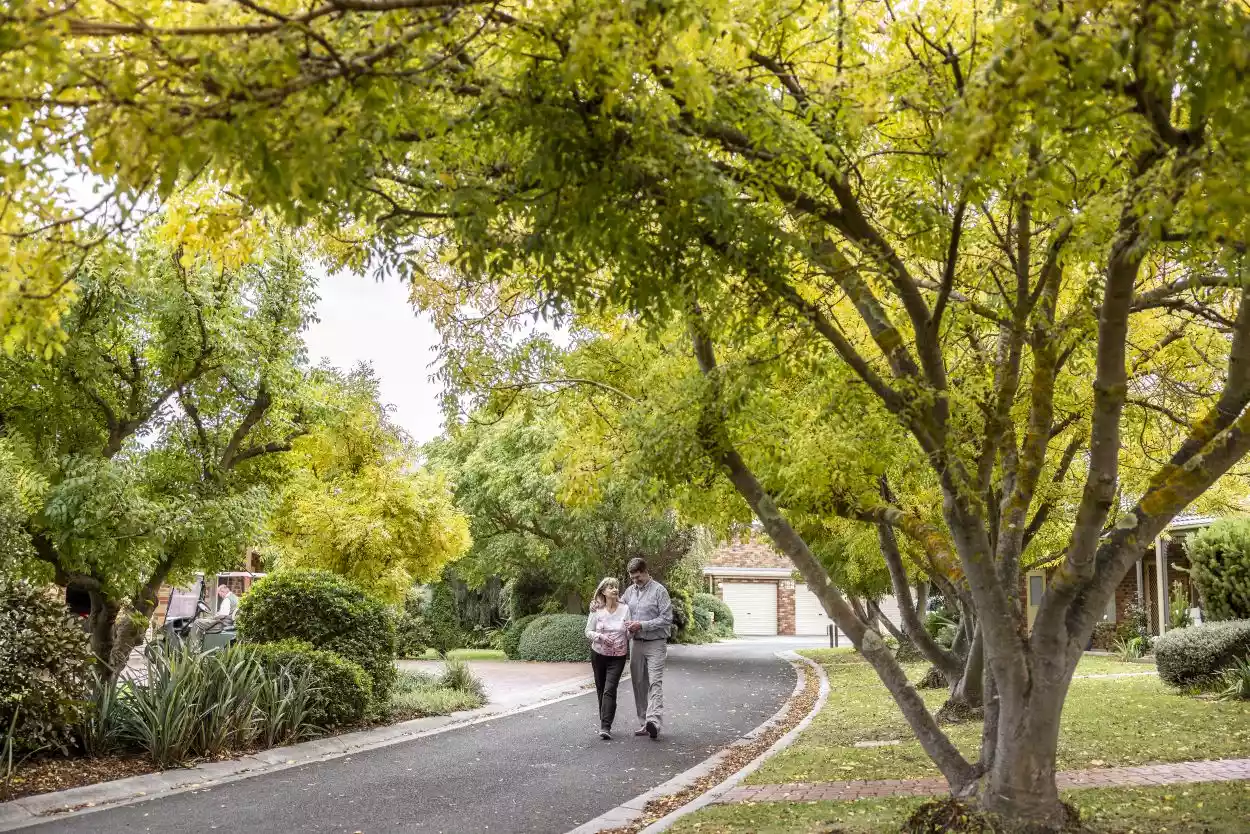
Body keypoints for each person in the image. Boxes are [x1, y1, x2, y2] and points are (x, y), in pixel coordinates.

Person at [620, 557, 673, 740]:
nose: (636, 581)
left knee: (655, 682)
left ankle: (654, 722)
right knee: (638, 683)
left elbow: (667, 618)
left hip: (656, 643)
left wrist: (642, 625)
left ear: (645, 571)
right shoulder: (629, 592)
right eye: (632, 578)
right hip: (636, 644)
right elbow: (617, 608)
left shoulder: (659, 591)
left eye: (638, 577)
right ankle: (644, 723)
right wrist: (598, 604)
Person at [585, 577, 630, 740]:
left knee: (610, 689)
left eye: (616, 587)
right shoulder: (596, 609)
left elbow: (629, 633)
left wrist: (631, 631)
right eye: (610, 587)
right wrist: (601, 637)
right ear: (603, 591)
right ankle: (604, 720)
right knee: (601, 689)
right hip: (598, 655)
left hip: (618, 656)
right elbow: (588, 631)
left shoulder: (625, 609)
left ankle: (605, 726)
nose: (615, 589)